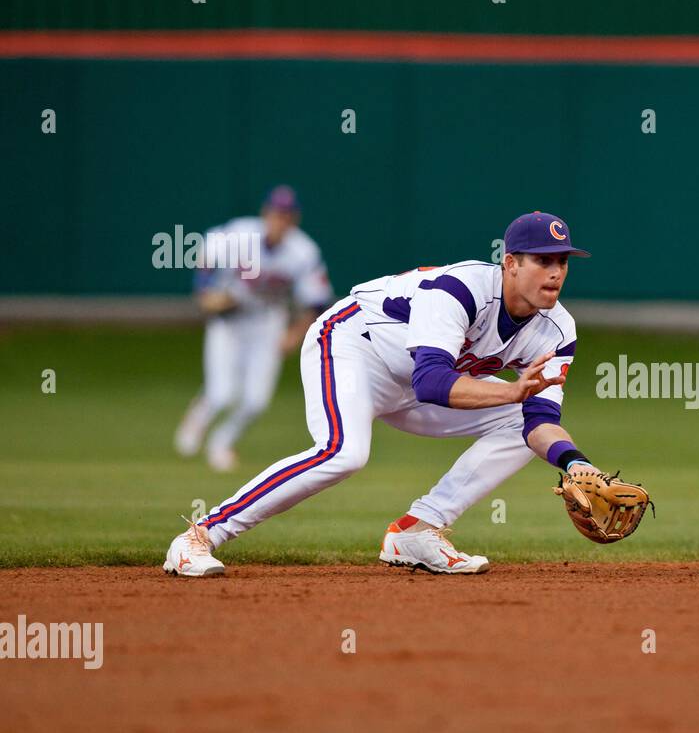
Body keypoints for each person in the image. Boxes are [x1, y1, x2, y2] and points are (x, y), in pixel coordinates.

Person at [164, 211, 604, 577]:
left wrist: (575, 464)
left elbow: (539, 420)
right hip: (353, 346)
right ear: (510, 262)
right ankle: (199, 537)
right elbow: (431, 382)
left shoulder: (558, 330)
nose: (556, 272)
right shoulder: (461, 290)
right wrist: (510, 392)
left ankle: (417, 530)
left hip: (414, 381)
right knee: (343, 453)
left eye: (563, 262)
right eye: (543, 260)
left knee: (518, 425)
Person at [174, 185, 334, 472]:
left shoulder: (303, 251)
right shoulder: (240, 233)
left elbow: (317, 301)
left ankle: (221, 443)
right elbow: (206, 255)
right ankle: (198, 418)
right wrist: (204, 292)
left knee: (256, 401)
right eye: (275, 214)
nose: (279, 221)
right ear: (266, 213)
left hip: (267, 323)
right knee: (222, 393)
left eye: (286, 215)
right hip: (229, 319)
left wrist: (295, 335)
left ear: (294, 219)